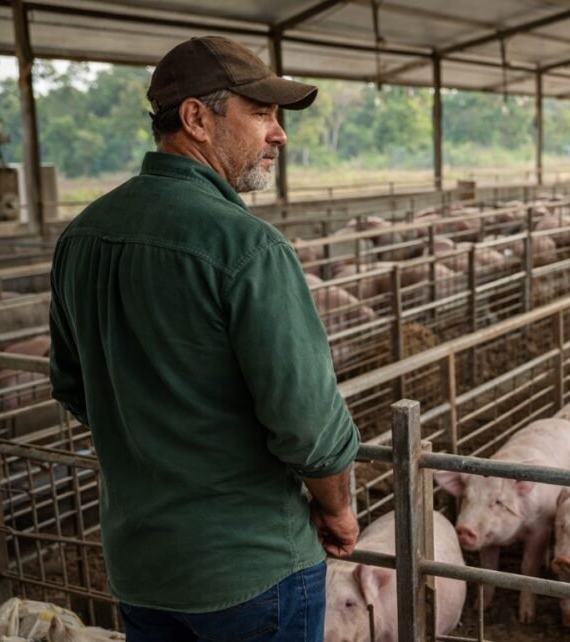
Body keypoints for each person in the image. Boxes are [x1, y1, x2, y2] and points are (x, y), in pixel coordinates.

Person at [48, 36, 360, 641]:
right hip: (252, 568)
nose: (280, 134)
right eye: (262, 113)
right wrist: (338, 508)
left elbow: (72, 384)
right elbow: (309, 425)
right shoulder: (246, 246)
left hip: (142, 568)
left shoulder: (82, 236)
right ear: (195, 118)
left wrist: (159, 440)